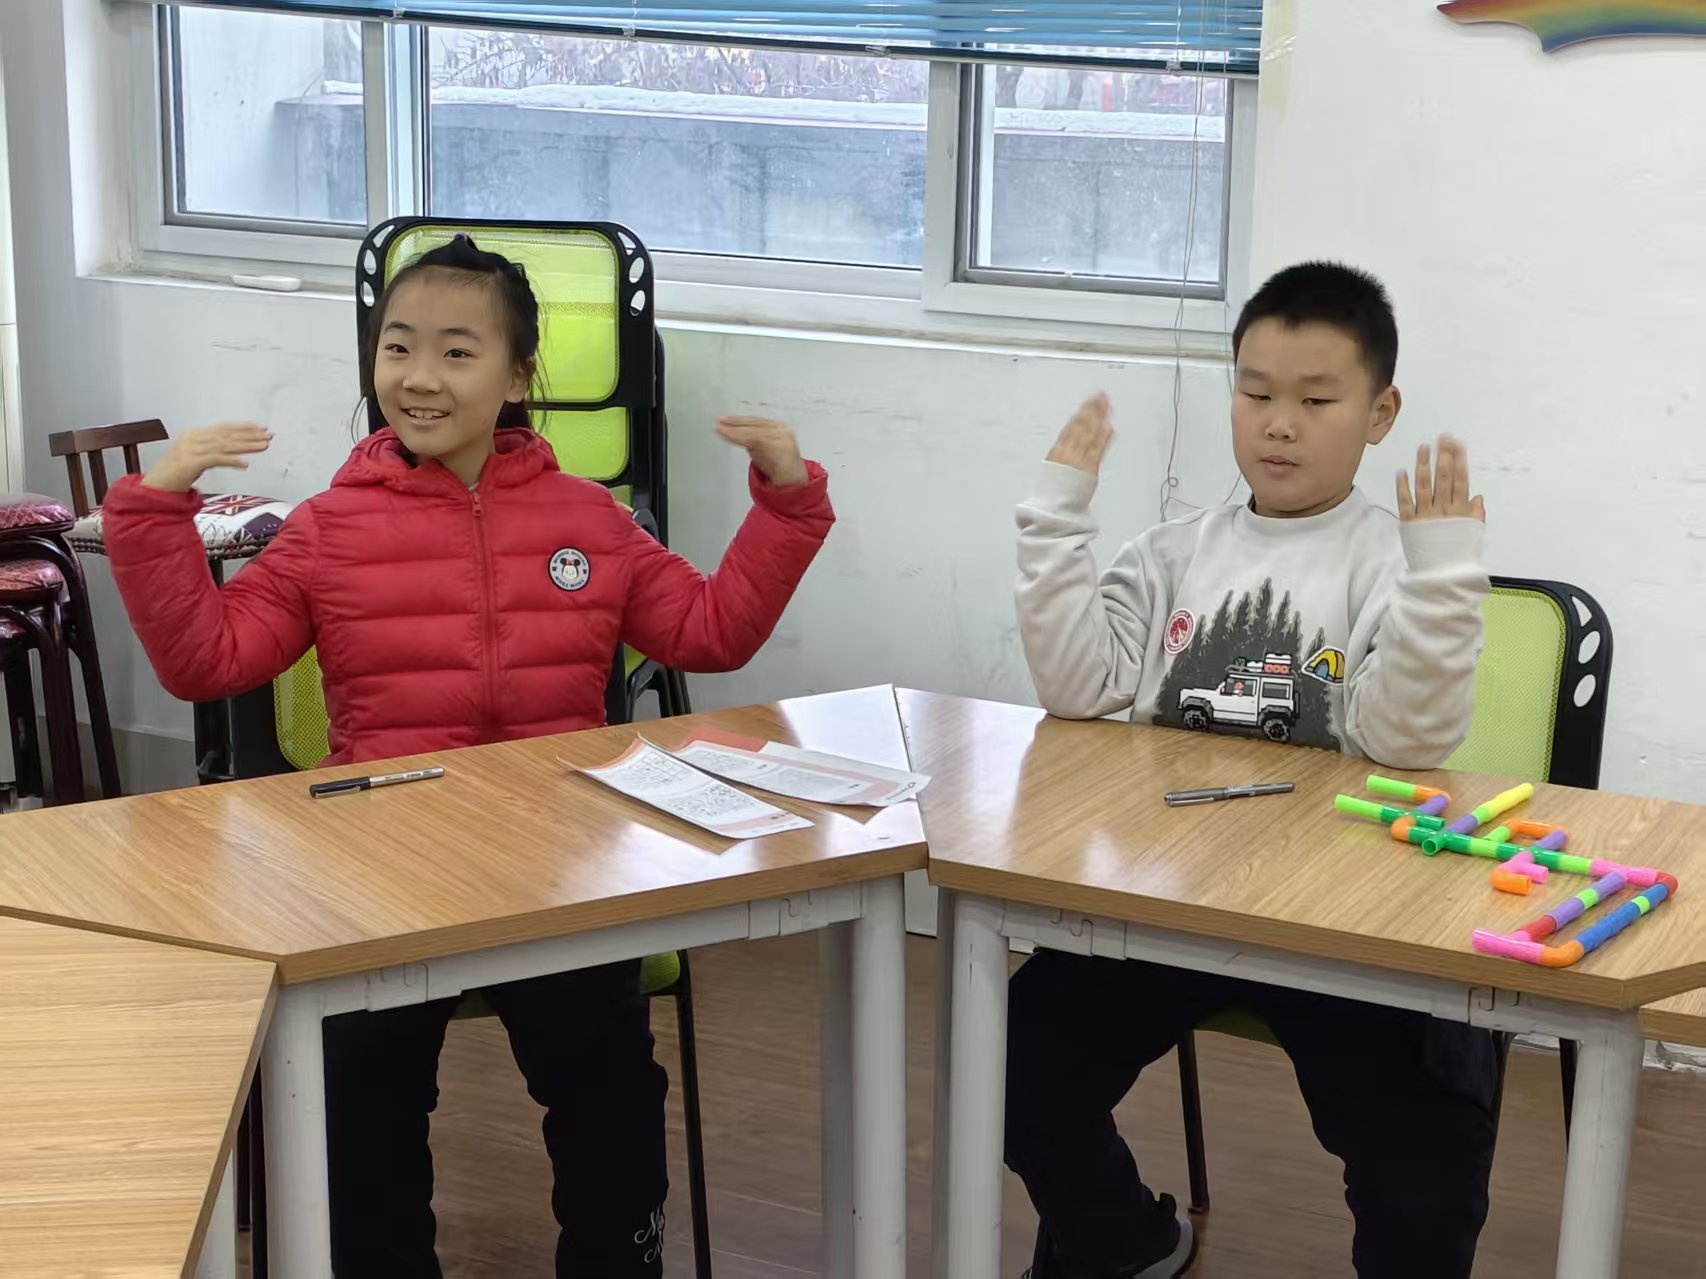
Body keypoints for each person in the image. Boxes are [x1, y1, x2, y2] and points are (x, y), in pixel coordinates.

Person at [103, 233, 835, 1276]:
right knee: (359, 1090)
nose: (419, 376)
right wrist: (152, 509)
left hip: (558, 869)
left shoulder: (590, 518)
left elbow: (710, 631)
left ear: (518, 376)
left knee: (609, 1086)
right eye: (397, 347)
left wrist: (788, 500)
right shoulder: (325, 528)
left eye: (457, 351)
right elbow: (206, 659)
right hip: (382, 874)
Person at [1008, 261, 1495, 1279]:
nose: (1278, 424)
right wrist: (1053, 520)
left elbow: (1404, 740)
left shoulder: (1391, 564)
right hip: (1170, 903)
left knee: (1427, 1153)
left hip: (1338, 921)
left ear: (1379, 413)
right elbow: (1080, 687)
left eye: (1316, 400)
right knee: (1006, 1068)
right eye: (1255, 392)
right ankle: (1124, 1241)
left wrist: (1444, 581)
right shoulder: (1169, 552)